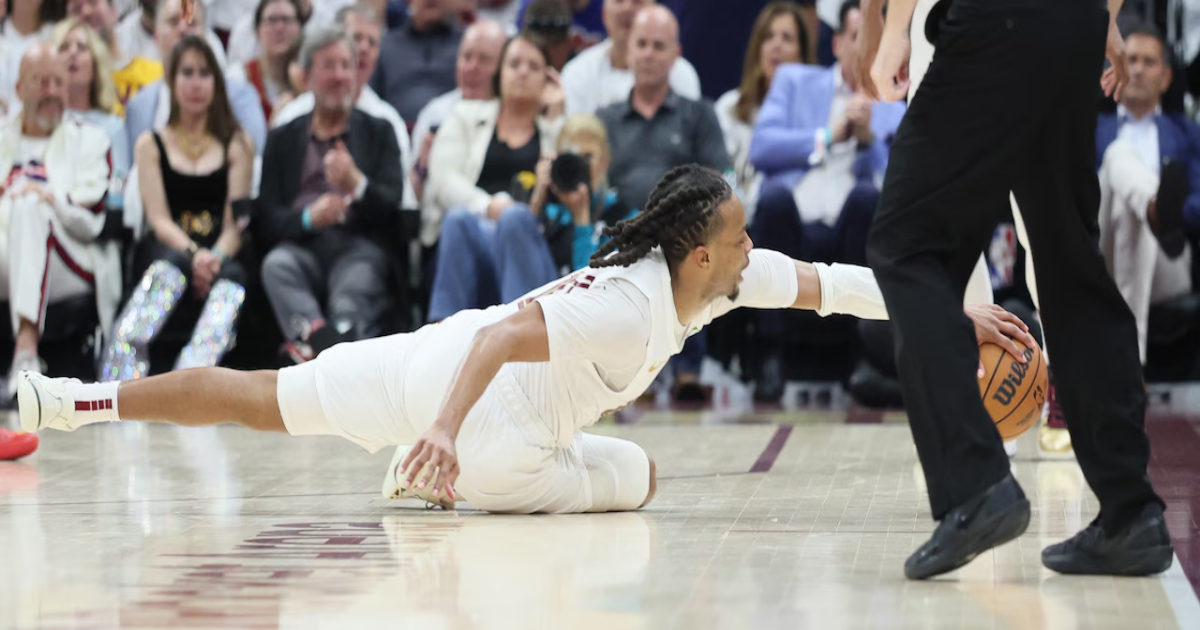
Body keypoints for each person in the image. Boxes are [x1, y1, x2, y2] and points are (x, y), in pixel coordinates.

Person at [16, 164, 1033, 516]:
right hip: (491, 428)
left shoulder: (723, 275)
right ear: (698, 256)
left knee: (258, 398)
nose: (752, 246)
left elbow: (838, 287)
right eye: (738, 237)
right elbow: (509, 333)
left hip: (431, 355)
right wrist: (446, 434)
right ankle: (431, 476)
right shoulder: (628, 305)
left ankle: (73, 400)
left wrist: (948, 312)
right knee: (638, 477)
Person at [856, 0, 1173, 581]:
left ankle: (975, 483)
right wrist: (1105, 17)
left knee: (906, 246)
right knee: (1068, 262)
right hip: (1074, 22)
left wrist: (892, 25)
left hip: (994, 20)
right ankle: (1131, 513)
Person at [100, 36, 254, 381]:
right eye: (187, 73)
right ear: (171, 81)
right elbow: (158, 219)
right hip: (169, 246)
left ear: (217, 82)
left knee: (232, 281)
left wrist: (212, 257)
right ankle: (122, 375)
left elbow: (236, 225)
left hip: (222, 250)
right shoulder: (150, 144)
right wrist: (194, 255)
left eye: (204, 73)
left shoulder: (238, 142)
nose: (196, 83)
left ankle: (193, 379)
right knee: (168, 268)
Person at [256, 27, 404, 362]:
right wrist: (309, 218)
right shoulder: (282, 138)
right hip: (300, 246)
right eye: (328, 66)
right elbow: (265, 219)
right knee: (276, 266)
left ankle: (316, 347)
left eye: (346, 65)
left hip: (359, 246)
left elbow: (394, 212)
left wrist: (357, 184)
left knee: (354, 288)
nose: (339, 76)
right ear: (306, 77)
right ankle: (326, 339)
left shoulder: (380, 131)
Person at [1, 44, 119, 395]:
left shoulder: (91, 139)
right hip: (7, 252)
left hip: (71, 258)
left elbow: (90, 221)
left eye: (58, 82)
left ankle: (26, 355)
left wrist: (48, 198)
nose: (51, 91)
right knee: (23, 208)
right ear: (19, 89)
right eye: (41, 82)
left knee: (30, 207)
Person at [425, 34, 563, 321]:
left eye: (533, 67)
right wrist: (489, 207)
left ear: (548, 80)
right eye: (514, 64)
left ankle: (521, 334)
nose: (522, 72)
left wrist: (556, 119)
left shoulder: (559, 129)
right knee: (459, 219)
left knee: (514, 220)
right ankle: (444, 333)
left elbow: (572, 186)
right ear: (499, 73)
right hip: (476, 239)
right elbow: (443, 179)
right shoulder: (464, 115)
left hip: (534, 250)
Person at [713, 2, 810, 217]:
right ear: (758, 49)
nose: (776, 45)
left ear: (802, 53)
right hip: (737, 220)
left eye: (787, 38)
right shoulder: (729, 107)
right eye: (768, 37)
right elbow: (717, 174)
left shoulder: (813, 115)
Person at [53, 18, 132, 213]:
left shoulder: (113, 126)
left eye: (81, 48)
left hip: (100, 216)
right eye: (64, 47)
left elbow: (120, 185)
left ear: (95, 67)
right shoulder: (46, 122)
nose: (72, 53)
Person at [227, 0, 304, 121]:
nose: (279, 28)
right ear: (258, 30)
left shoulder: (309, 79)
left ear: (300, 28)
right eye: (272, 20)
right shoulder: (240, 76)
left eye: (287, 20)